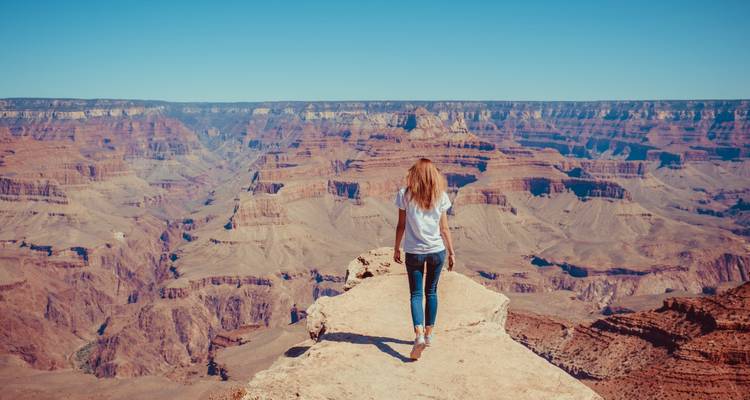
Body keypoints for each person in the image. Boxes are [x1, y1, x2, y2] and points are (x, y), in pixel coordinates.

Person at [393, 158, 455, 360]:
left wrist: (396, 248)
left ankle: (418, 334)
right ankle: (429, 335)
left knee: (416, 294)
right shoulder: (441, 196)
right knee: (432, 292)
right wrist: (452, 252)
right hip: (437, 250)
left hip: (414, 251)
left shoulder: (405, 195)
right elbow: (444, 228)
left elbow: (400, 225)